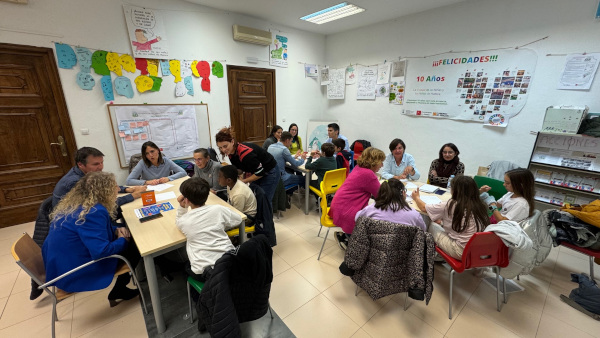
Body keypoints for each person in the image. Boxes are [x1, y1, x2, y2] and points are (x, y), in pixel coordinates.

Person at [42, 172, 140, 306]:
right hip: (75, 271)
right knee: (136, 245)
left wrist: (116, 230)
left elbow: (94, 230)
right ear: (103, 191)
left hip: (60, 265)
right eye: (114, 186)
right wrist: (123, 240)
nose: (118, 189)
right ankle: (119, 290)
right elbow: (101, 252)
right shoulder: (94, 211)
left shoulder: (74, 204)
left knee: (125, 232)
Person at [175, 177, 242, 282]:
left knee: (186, 266)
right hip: (230, 263)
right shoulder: (218, 209)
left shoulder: (184, 220)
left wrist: (182, 207)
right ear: (207, 195)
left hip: (206, 272)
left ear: (186, 200)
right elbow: (238, 219)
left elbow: (178, 223)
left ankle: (196, 296)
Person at [412, 175, 489, 260]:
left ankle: (422, 254)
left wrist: (416, 197)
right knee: (438, 222)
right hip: (479, 250)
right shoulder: (480, 205)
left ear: (454, 191)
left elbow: (423, 208)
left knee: (429, 223)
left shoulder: (451, 204)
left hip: (461, 251)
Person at [52, 147, 146, 209]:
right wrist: (133, 196)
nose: (101, 167)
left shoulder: (87, 174)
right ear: (80, 164)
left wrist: (127, 189)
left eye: (102, 162)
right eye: (96, 164)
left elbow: (104, 188)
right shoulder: (76, 182)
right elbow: (102, 204)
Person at [330, 147, 385, 249]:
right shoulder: (369, 174)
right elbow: (381, 196)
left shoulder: (358, 168)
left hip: (338, 205)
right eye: (381, 162)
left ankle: (346, 236)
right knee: (375, 218)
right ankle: (349, 240)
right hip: (346, 211)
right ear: (374, 162)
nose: (382, 165)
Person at [215, 127, 279, 204]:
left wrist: (244, 181)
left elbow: (260, 173)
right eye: (220, 148)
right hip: (257, 170)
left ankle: (266, 215)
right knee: (255, 196)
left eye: (225, 146)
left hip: (270, 171)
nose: (223, 150)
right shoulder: (231, 152)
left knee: (265, 201)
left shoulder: (245, 154)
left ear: (232, 141)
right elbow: (240, 169)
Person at [355, 178, 426, 231]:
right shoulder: (414, 215)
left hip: (375, 249)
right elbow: (422, 230)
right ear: (403, 193)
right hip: (402, 250)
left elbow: (357, 218)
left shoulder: (371, 209)